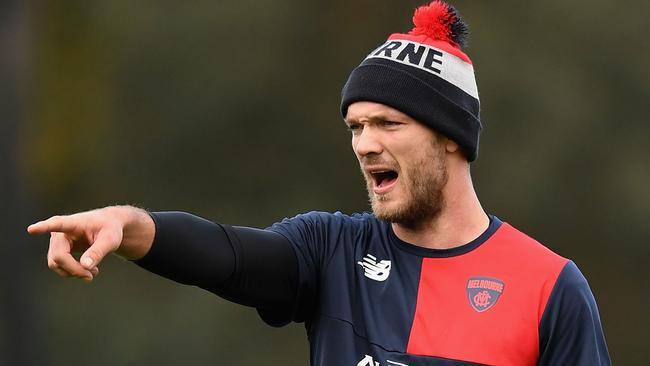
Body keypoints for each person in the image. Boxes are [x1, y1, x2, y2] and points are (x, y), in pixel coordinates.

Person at [28, 1, 611, 365]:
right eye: (356, 126)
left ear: (450, 137)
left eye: (388, 123)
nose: (364, 143)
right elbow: (229, 256)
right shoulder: (329, 251)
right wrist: (131, 227)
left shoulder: (549, 288)